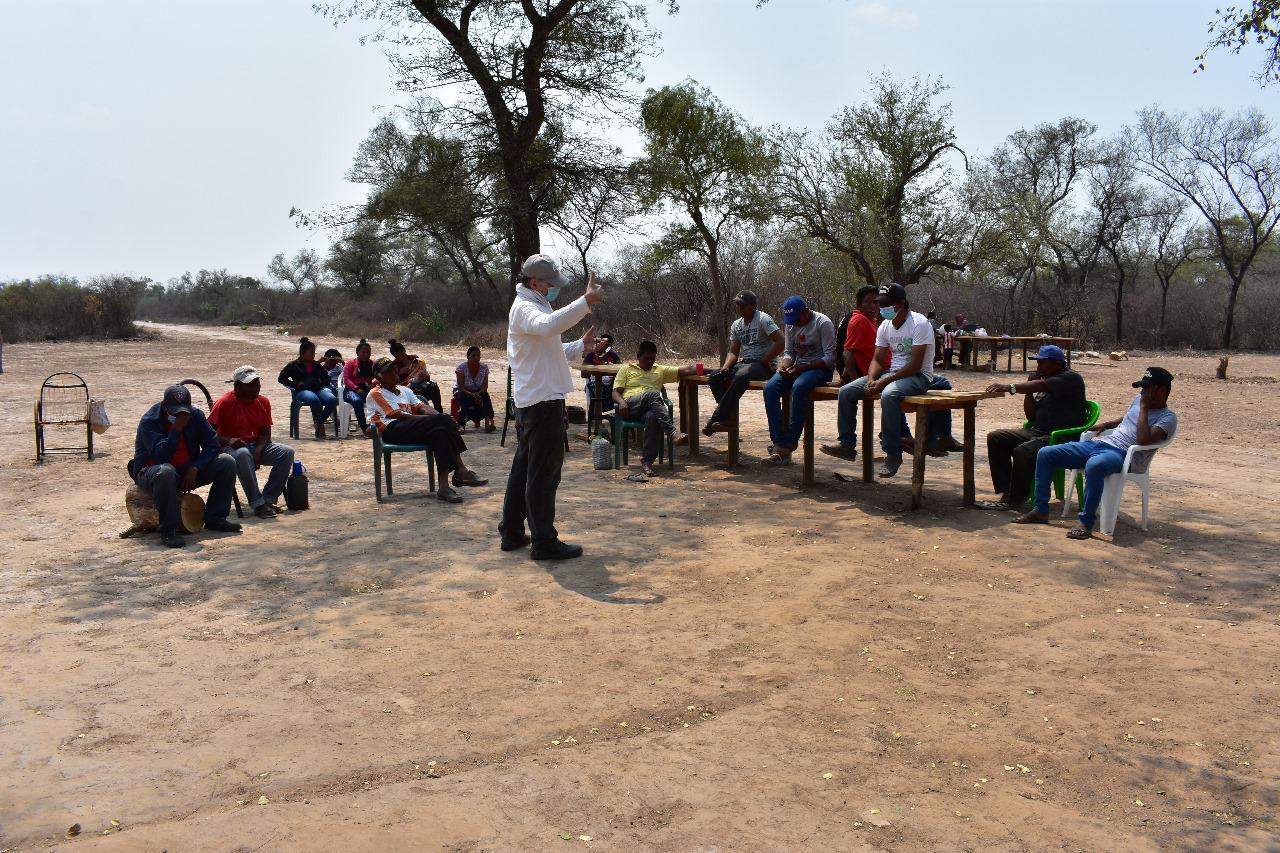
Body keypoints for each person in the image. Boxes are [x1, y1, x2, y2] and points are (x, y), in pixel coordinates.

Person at [500, 253, 604, 560]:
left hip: (535, 401)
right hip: (540, 403)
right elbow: (547, 327)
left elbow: (547, 345)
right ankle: (544, 541)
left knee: (523, 471)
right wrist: (585, 302)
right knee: (543, 474)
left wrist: (577, 347)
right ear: (534, 282)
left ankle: (512, 532)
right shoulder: (525, 309)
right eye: (550, 284)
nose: (553, 289)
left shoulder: (533, 306)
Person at [1015, 367, 1177, 539]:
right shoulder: (1139, 400)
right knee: (1046, 453)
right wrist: (1106, 425)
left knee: (1095, 465)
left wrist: (1144, 407)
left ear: (1161, 390)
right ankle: (1040, 510)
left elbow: (1143, 439)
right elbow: (1128, 418)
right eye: (1142, 388)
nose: (1142, 392)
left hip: (1124, 455)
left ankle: (1086, 522)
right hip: (1101, 443)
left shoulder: (1168, 418)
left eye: (1147, 388)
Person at [825, 284, 935, 477]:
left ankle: (893, 454)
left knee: (889, 394)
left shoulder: (919, 323)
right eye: (880, 304)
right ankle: (847, 444)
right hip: (891, 373)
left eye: (886, 304)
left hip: (918, 377)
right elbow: (877, 359)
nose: (881, 308)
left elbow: (916, 365)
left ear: (901, 303)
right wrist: (870, 379)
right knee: (846, 392)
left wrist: (882, 382)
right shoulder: (884, 325)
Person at [978, 345, 1087, 511]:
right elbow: (1031, 416)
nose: (1038, 367)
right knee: (996, 438)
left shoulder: (1070, 379)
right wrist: (1029, 391)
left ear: (1057, 363)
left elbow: (1041, 386)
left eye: (1043, 363)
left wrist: (1010, 387)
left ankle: (1015, 500)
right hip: (1038, 433)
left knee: (1023, 451)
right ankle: (1007, 491)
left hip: (1060, 438)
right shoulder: (1045, 381)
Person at [131, 384, 241, 548]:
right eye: (175, 412)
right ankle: (168, 529)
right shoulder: (150, 421)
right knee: (166, 471)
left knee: (226, 461)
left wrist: (195, 467)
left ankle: (215, 518)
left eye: (184, 411)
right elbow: (162, 456)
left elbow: (212, 445)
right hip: (152, 471)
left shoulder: (196, 415)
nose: (180, 415)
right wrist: (177, 428)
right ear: (164, 406)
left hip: (186, 470)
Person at [368, 357, 488, 504]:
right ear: (378, 377)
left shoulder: (404, 390)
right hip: (391, 430)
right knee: (442, 421)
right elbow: (400, 416)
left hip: (410, 428)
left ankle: (444, 487)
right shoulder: (376, 393)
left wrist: (438, 416)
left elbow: (423, 407)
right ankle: (460, 470)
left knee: (440, 432)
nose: (394, 372)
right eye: (388, 371)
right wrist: (440, 419)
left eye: (394, 368)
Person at [209, 365, 296, 519]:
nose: (255, 388)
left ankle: (268, 499)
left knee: (286, 452)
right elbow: (207, 433)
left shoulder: (263, 402)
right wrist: (229, 440)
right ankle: (257, 503)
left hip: (256, 446)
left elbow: (266, 434)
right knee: (242, 454)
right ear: (237, 386)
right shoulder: (225, 402)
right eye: (250, 385)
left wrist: (258, 450)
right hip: (230, 450)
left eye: (257, 384)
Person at [760, 295, 836, 465]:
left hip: (819, 369)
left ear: (806, 312)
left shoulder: (823, 323)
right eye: (790, 320)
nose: (794, 324)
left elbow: (830, 357)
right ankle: (778, 442)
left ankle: (791, 441)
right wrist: (784, 366)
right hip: (798, 367)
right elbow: (789, 353)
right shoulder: (790, 324)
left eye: (797, 319)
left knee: (799, 386)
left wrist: (803, 368)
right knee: (770, 389)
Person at [703, 290, 783, 436]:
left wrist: (766, 359)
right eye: (737, 305)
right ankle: (728, 417)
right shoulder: (736, 325)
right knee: (715, 376)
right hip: (745, 363)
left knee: (740, 376)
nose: (738, 308)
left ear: (752, 306)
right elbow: (733, 351)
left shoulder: (763, 319)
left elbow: (781, 341)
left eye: (742, 305)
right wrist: (726, 367)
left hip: (763, 366)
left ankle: (716, 418)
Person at [613, 340, 695, 476]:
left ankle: (647, 462)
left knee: (653, 417)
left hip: (650, 409)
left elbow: (684, 370)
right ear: (638, 356)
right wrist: (621, 402)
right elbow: (615, 392)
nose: (650, 361)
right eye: (647, 358)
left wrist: (715, 370)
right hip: (630, 406)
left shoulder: (660, 370)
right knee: (653, 394)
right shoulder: (626, 369)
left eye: (653, 358)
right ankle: (672, 433)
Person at [277, 336, 337, 440]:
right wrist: (295, 385)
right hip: (302, 391)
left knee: (332, 399)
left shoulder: (316, 365)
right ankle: (321, 426)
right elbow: (281, 378)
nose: (314, 355)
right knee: (314, 399)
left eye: (314, 352)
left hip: (318, 389)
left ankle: (319, 424)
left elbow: (326, 378)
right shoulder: (293, 365)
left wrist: (320, 384)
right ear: (302, 353)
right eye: (311, 353)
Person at [388, 339, 443, 413]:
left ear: (404, 350)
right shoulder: (393, 367)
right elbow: (394, 385)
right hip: (406, 390)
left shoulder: (416, 361)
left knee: (434, 386)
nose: (401, 357)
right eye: (398, 356)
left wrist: (426, 377)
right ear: (394, 356)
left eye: (402, 354)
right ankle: (423, 414)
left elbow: (427, 378)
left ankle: (439, 412)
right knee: (416, 391)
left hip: (421, 385)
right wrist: (400, 374)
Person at [454, 346, 496, 433]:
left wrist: (478, 393)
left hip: (478, 391)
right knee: (463, 399)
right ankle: (461, 425)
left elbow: (485, 386)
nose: (476, 358)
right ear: (468, 357)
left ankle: (488, 424)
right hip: (462, 391)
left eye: (478, 355)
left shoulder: (484, 368)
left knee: (486, 397)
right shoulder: (461, 368)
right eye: (473, 355)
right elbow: (460, 386)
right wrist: (471, 394)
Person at [341, 339, 377, 437]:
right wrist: (356, 388)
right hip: (351, 390)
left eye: (368, 352)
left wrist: (372, 385)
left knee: (378, 399)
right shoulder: (350, 363)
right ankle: (364, 428)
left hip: (367, 389)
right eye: (364, 352)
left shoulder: (372, 364)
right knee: (357, 401)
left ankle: (376, 425)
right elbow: (346, 379)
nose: (366, 354)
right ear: (358, 352)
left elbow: (378, 377)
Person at [582, 332, 621, 416]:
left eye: (608, 345)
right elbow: (583, 374)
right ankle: (597, 417)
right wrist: (595, 370)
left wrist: (610, 369)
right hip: (595, 383)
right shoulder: (591, 356)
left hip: (611, 384)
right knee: (596, 391)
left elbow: (620, 371)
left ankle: (619, 417)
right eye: (603, 344)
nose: (605, 347)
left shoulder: (613, 356)